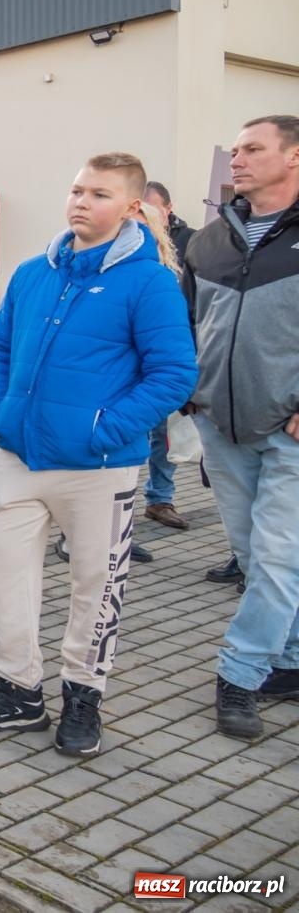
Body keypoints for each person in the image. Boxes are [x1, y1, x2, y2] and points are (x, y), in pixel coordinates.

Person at [0, 153, 196, 758]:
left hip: (99, 467)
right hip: (18, 457)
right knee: (2, 574)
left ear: (132, 207)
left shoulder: (149, 279)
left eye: (99, 194)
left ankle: (83, 695)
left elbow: (173, 374)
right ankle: (18, 690)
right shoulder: (35, 272)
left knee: (96, 586)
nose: (81, 201)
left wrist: (103, 430)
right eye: (77, 189)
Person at [181, 115, 299, 739]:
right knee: (257, 555)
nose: (238, 159)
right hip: (219, 424)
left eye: (254, 149)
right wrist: (188, 393)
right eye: (237, 149)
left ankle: (240, 673)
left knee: (279, 557)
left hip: (289, 429)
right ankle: (291, 660)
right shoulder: (210, 240)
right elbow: (185, 321)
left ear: (294, 157)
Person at [137, 180, 194, 532]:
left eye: (152, 208)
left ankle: (160, 498)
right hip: (133, 359)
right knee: (127, 436)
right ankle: (112, 518)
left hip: (169, 354)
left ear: (168, 208)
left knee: (163, 433)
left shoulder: (194, 243)